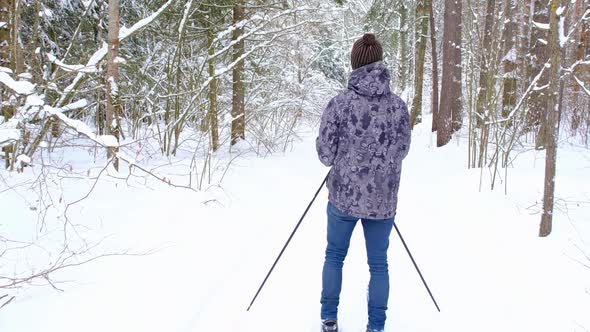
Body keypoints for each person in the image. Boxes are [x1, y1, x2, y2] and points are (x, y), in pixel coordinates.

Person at [316, 33, 411, 332]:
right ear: (380, 63)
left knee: (334, 255)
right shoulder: (398, 107)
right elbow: (402, 150)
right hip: (382, 201)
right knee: (379, 264)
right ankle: (376, 326)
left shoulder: (339, 104)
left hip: (343, 198)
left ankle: (329, 319)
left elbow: (325, 154)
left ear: (355, 63)